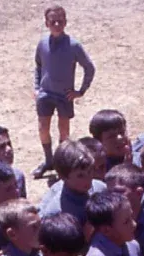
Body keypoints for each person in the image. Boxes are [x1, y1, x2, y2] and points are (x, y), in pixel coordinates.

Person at [33, 4, 96, 178]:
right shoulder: (42, 44)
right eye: (52, 21)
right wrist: (37, 88)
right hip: (45, 94)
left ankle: (61, 164)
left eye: (60, 21)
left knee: (64, 131)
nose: (56, 25)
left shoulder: (74, 45)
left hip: (63, 95)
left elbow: (89, 68)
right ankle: (48, 161)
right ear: (46, 23)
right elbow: (38, 66)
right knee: (43, 128)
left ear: (65, 22)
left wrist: (81, 91)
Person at [39, 139, 107, 226]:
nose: (88, 179)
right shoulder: (57, 212)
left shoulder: (101, 189)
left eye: (90, 171)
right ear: (63, 177)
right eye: (80, 176)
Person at [105, 163, 144, 255]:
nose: (111, 197)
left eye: (118, 192)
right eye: (108, 192)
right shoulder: (106, 225)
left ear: (139, 193)